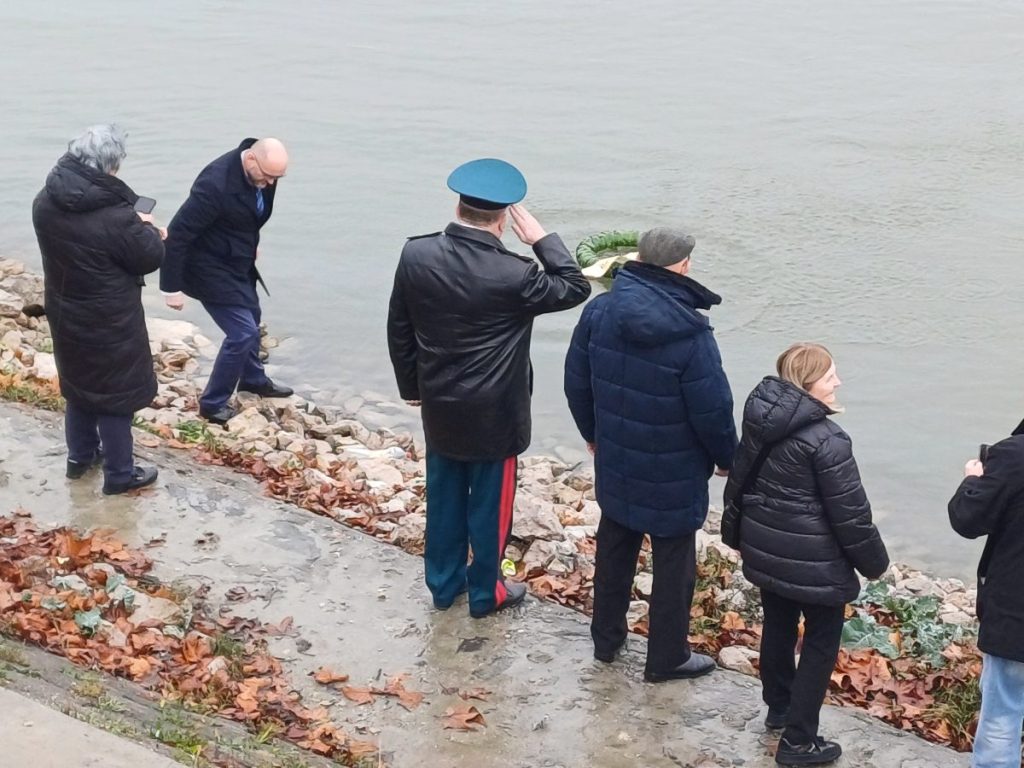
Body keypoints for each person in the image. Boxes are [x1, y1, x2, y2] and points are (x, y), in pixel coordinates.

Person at [387, 158, 591, 619]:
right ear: (503, 220)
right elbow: (575, 286)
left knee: (443, 499)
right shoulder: (516, 275)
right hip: (495, 413)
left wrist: (410, 386)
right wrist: (541, 239)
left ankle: (443, 586)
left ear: (457, 207)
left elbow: (399, 325)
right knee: (490, 508)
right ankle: (485, 593)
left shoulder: (416, 254)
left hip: (439, 401)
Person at [564, 227, 737, 682]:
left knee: (614, 547)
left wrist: (593, 434)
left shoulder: (599, 311)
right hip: (675, 469)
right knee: (674, 564)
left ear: (638, 259)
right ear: (684, 266)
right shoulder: (691, 332)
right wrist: (727, 458)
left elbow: (576, 381)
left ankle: (606, 640)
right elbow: (713, 408)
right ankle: (667, 658)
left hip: (617, 456)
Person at [721, 343, 889, 766]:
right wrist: (875, 564)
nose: (838, 382)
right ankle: (798, 741)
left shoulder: (760, 420)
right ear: (809, 383)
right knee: (819, 643)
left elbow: (738, 481)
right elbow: (852, 516)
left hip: (767, 549)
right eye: (830, 376)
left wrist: (736, 535)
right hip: (816, 564)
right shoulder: (828, 440)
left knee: (777, 627)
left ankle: (779, 708)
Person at [31, 124, 165, 495]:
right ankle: (120, 475)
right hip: (109, 319)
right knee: (114, 396)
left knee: (79, 386)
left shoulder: (45, 200)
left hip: (65, 308)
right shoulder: (115, 217)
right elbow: (148, 257)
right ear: (109, 166)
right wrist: (149, 229)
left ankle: (80, 458)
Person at [160, 137, 293, 425]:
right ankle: (212, 403)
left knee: (253, 316)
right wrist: (171, 288)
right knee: (241, 333)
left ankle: (253, 380)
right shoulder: (214, 186)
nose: (271, 183)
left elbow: (251, 213)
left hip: (237, 259)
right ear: (251, 159)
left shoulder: (263, 173)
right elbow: (177, 235)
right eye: (268, 176)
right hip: (206, 267)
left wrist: (251, 244)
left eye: (277, 178)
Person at [948, 430, 1024, 768]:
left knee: (1003, 712)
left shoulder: (1015, 455)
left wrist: (973, 481)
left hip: (1016, 611)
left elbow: (967, 519)